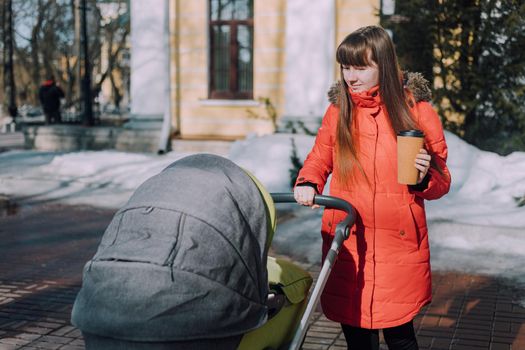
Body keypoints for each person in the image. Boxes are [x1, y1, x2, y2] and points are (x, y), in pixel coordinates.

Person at [293, 25, 451, 350]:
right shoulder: (339, 111)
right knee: (357, 336)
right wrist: (308, 182)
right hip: (349, 238)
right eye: (346, 67)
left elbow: (441, 180)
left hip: (398, 241)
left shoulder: (415, 110)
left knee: (400, 336)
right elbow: (319, 157)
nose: (351, 76)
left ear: (383, 63)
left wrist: (423, 178)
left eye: (360, 66)